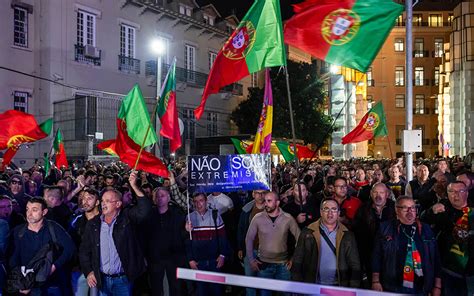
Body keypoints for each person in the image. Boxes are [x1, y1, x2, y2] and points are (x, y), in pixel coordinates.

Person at [79, 171, 152, 295]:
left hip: (123, 280)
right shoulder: (94, 224)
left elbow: (145, 210)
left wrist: (134, 186)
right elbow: (84, 251)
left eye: (108, 201)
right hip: (101, 279)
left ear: (118, 204)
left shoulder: (127, 219)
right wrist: (89, 271)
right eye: (102, 201)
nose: (103, 204)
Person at [372, 196, 441, 295]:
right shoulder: (385, 228)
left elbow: (436, 258)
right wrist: (375, 281)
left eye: (413, 207)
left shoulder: (426, 229)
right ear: (397, 210)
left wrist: (437, 286)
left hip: (422, 286)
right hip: (393, 286)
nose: (410, 211)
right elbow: (376, 256)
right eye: (405, 208)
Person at [9, 197, 76, 295]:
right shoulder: (18, 232)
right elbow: (12, 260)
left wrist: (53, 267)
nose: (29, 213)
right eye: (27, 209)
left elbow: (70, 249)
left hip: (52, 284)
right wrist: (21, 282)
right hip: (29, 286)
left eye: (34, 210)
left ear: (44, 212)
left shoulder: (53, 228)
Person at [291, 197, 361, 287]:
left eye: (334, 209)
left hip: (338, 286)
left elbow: (355, 264)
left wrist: (353, 288)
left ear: (338, 213)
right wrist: (297, 286)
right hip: (313, 285)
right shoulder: (308, 232)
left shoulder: (347, 235)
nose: (330, 213)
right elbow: (298, 259)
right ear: (321, 212)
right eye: (326, 209)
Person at [421, 181, 474, 296]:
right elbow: (421, 221)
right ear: (447, 194)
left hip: (470, 271)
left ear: (467, 193)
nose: (456, 195)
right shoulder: (442, 209)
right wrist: (431, 212)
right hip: (448, 270)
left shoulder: (473, 211)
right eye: (452, 191)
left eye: (460, 191)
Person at [245, 191, 300, 296]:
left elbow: (300, 239)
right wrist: (251, 259)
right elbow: (249, 239)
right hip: (264, 265)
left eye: (269, 201)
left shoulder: (288, 218)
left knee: (286, 294)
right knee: (265, 293)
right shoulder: (257, 218)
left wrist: (293, 259)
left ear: (278, 203)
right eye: (265, 201)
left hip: (283, 265)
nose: (265, 204)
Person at [185, 192, 231, 296]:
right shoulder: (189, 217)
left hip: (214, 260)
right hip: (198, 262)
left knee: (217, 291)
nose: (198, 204)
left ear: (206, 202)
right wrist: (190, 259)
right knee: (201, 291)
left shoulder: (215, 214)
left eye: (201, 201)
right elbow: (187, 241)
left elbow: (223, 237)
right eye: (195, 202)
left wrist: (223, 255)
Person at [145, 187, 187, 296]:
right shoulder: (148, 215)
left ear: (169, 198)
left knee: (176, 286)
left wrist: (187, 230)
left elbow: (183, 236)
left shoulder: (178, 214)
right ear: (153, 199)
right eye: (157, 196)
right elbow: (144, 237)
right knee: (156, 287)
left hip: (174, 257)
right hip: (155, 258)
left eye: (162, 196)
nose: (159, 198)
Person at [353, 183, 396, 286]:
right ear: (371, 194)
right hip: (370, 253)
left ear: (387, 194)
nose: (378, 195)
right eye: (375, 192)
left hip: (391, 254)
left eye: (381, 192)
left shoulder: (395, 208)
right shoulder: (363, 209)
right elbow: (357, 231)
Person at [69, 188, 100, 296]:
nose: (85, 201)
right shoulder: (76, 221)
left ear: (97, 202)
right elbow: (71, 243)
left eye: (90, 198)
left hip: (99, 269)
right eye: (84, 198)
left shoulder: (104, 221)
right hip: (79, 269)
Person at [237, 190, 266, 296]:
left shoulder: (271, 208)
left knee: (265, 284)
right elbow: (241, 229)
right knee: (250, 283)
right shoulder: (246, 210)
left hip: (266, 252)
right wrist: (240, 247)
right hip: (250, 251)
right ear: (253, 194)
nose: (260, 195)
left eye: (263, 193)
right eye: (257, 193)